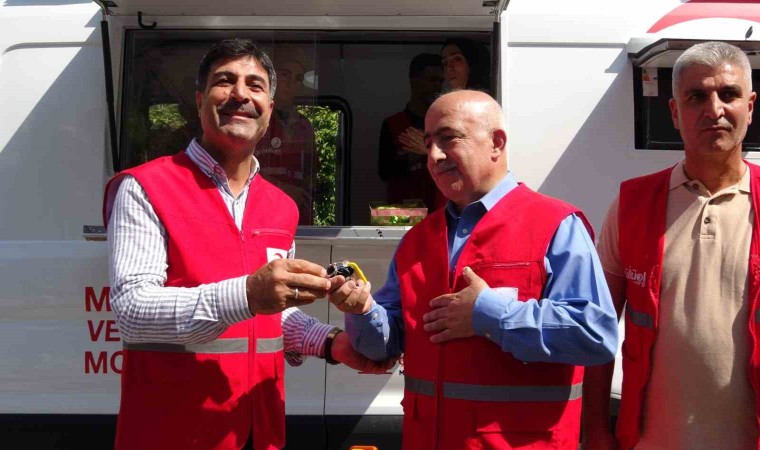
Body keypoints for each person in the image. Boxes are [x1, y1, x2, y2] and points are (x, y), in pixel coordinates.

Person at [103, 38, 391, 450]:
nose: (240, 93)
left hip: (261, 430)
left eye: (255, 85)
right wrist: (247, 294)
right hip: (174, 433)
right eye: (225, 81)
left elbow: (273, 315)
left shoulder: (281, 207)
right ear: (200, 100)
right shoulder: (145, 187)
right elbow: (133, 312)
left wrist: (330, 343)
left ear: (269, 109)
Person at [329, 90, 618, 449]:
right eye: (429, 143)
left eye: (448, 138)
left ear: (497, 143)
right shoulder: (417, 240)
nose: (433, 156)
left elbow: (594, 334)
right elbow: (384, 347)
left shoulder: (556, 225)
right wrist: (362, 311)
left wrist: (487, 313)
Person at [582, 41, 760, 450]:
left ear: (750, 107)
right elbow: (597, 329)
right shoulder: (631, 204)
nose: (714, 109)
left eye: (728, 94)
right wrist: (595, 429)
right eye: (697, 96)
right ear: (675, 113)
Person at [255, 45, 318, 224]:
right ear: (272, 77)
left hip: (298, 220)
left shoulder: (305, 126)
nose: (291, 83)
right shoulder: (255, 119)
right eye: (285, 74)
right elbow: (238, 173)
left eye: (298, 78)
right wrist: (281, 188)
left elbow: (311, 176)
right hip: (261, 216)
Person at [378, 53, 445, 209]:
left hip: (439, 211)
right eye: (432, 80)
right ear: (414, 81)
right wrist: (414, 155)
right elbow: (384, 172)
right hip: (403, 214)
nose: (437, 87)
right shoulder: (392, 124)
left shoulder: (444, 124)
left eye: (440, 81)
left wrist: (427, 149)